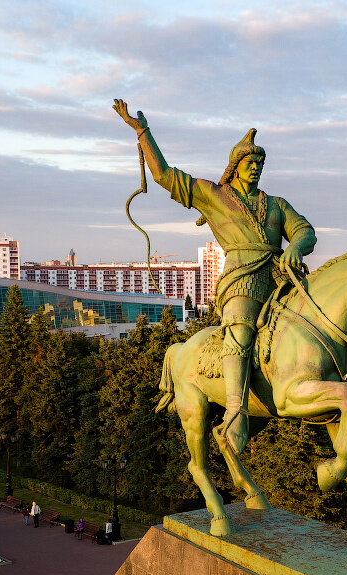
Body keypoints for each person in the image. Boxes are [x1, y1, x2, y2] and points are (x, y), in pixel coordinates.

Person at [114, 99, 316, 455]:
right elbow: (163, 175)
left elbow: (305, 230)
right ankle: (236, 411)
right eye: (250, 163)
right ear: (236, 166)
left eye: (260, 163)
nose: (255, 169)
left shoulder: (277, 204)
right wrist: (142, 131)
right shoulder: (214, 195)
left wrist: (296, 246)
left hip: (281, 276)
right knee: (239, 329)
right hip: (243, 279)